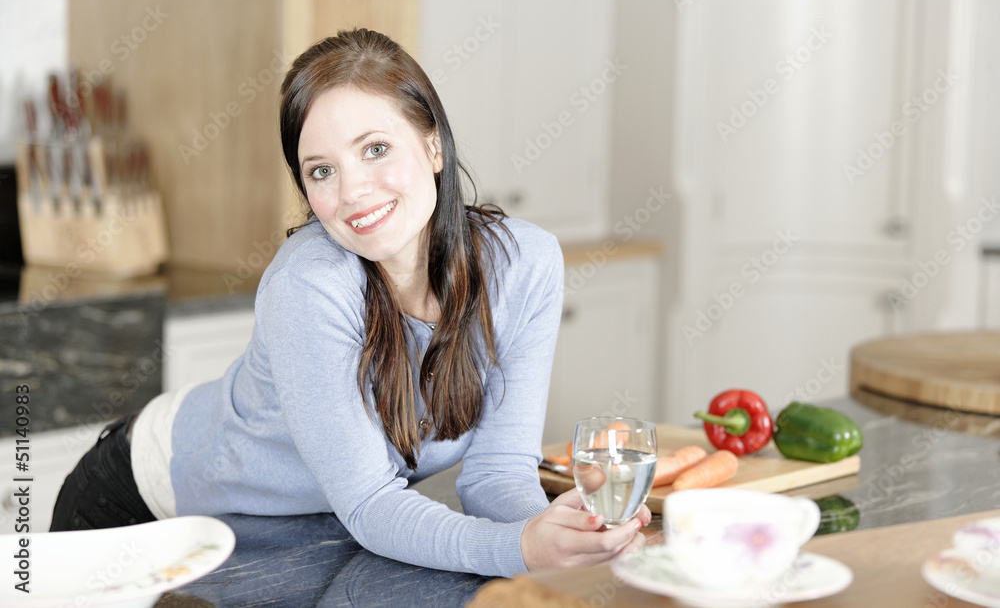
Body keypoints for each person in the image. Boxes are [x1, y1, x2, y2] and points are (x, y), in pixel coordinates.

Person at [50, 28, 650, 576]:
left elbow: (497, 471)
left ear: (433, 146)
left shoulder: (525, 266)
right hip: (142, 504)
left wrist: (553, 536)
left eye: (374, 149)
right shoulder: (309, 285)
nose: (352, 192)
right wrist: (516, 549)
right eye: (320, 171)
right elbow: (369, 503)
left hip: (294, 531)